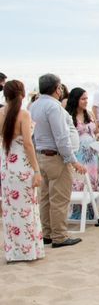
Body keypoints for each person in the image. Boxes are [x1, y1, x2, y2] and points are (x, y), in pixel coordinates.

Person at [30, 74, 86, 248]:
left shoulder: (34, 105)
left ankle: (46, 233)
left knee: (46, 197)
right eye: (60, 87)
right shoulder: (54, 107)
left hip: (41, 155)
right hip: (56, 157)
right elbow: (61, 136)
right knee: (59, 198)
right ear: (57, 88)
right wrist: (72, 160)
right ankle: (59, 236)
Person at [0, 80, 45, 262]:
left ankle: (13, 251)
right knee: (27, 207)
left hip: (6, 165)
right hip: (22, 165)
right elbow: (27, 144)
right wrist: (36, 170)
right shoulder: (23, 114)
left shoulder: (1, 113)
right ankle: (28, 251)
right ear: (22, 94)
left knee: (10, 209)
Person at [66, 88, 99, 220]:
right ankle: (78, 213)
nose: (86, 101)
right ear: (76, 100)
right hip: (78, 152)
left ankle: (91, 213)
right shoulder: (69, 116)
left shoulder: (89, 113)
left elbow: (95, 130)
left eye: (86, 98)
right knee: (79, 181)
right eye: (83, 99)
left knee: (92, 181)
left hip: (92, 153)